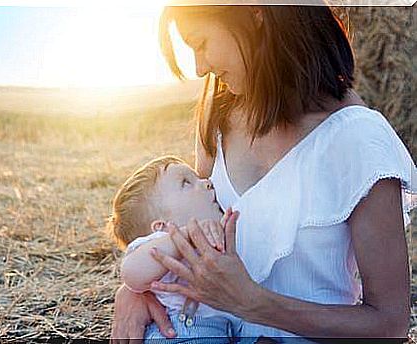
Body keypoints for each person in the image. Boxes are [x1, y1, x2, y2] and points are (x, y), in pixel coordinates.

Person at [111, 4, 416, 343]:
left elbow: (390, 324)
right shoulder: (217, 118)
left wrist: (254, 304)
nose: (199, 68)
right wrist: (138, 291)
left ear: (255, 14)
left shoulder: (358, 138)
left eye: (200, 43)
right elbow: (187, 235)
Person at [108, 155, 253, 343]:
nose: (208, 182)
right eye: (186, 183)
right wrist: (184, 236)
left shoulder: (225, 231)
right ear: (162, 226)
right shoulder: (163, 239)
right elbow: (132, 274)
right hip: (180, 332)